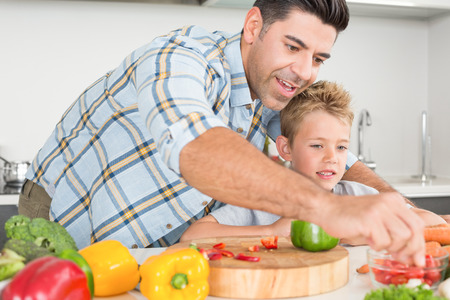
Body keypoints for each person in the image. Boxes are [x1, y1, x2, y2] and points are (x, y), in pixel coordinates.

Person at [19, 0, 426, 266]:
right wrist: (329, 209)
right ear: (253, 26)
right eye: (292, 46)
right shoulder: (180, 58)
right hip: (69, 217)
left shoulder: (271, 91)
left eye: (318, 57)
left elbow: (325, 150)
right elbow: (197, 147)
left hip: (159, 245)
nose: (305, 71)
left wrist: (403, 211)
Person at [180, 81, 446, 244]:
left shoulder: (358, 195)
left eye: (341, 147)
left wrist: (359, 229)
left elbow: (432, 223)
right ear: (285, 148)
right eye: (317, 145)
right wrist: (272, 230)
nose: (332, 157)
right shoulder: (260, 203)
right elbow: (192, 236)